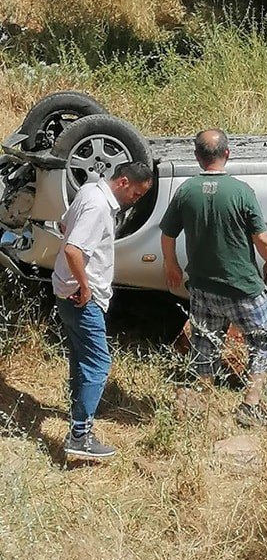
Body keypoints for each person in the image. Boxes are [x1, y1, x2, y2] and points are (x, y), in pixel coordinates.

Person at [160, 129, 267, 426]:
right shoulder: (241, 192)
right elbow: (261, 239)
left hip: (202, 285)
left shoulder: (186, 190)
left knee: (205, 340)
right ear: (227, 153)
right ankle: (250, 404)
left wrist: (171, 264)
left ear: (198, 157)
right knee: (265, 340)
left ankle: (202, 400)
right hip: (242, 286)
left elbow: (167, 233)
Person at [53, 161, 154, 461]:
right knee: (98, 364)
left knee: (81, 358)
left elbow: (63, 224)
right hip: (81, 297)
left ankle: (78, 419)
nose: (135, 200)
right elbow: (73, 248)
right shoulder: (99, 206)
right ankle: (80, 436)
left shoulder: (88, 191)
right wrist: (85, 287)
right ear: (123, 182)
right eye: (136, 194)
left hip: (64, 292)